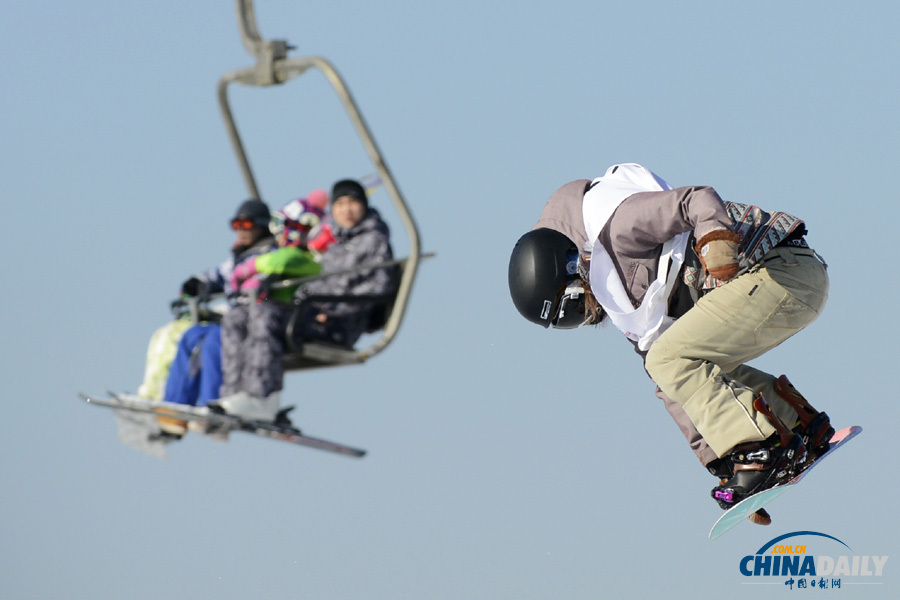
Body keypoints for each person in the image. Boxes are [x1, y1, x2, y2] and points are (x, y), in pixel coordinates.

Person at [507, 163, 834, 521]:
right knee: (674, 365)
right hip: (784, 286)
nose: (585, 315)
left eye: (573, 305)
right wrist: (722, 465)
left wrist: (714, 240)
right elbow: (670, 385)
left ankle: (759, 451)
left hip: (781, 269)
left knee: (669, 357)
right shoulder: (617, 289)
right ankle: (796, 425)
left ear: (570, 268)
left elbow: (695, 200)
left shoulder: (617, 226)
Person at [149, 198, 278, 435]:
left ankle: (213, 406)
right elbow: (217, 274)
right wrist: (198, 282)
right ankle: (175, 408)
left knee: (214, 341)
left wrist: (261, 291)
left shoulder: (269, 254)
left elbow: (270, 287)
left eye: (246, 224)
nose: (240, 230)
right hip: (234, 317)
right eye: (235, 224)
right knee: (191, 336)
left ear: (261, 225)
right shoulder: (240, 256)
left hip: (253, 318)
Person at [215, 194, 327, 421]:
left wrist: (249, 269)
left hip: (297, 316)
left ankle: (263, 397)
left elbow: (282, 260)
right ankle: (234, 394)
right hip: (273, 310)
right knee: (234, 319)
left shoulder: (308, 257)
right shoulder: (285, 252)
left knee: (262, 319)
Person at [292, 178, 398, 349]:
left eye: (353, 202)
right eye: (340, 203)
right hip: (311, 315)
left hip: (339, 325)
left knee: (267, 326)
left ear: (364, 204)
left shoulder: (374, 241)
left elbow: (377, 288)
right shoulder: (336, 245)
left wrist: (329, 312)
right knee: (250, 320)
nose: (346, 209)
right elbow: (320, 282)